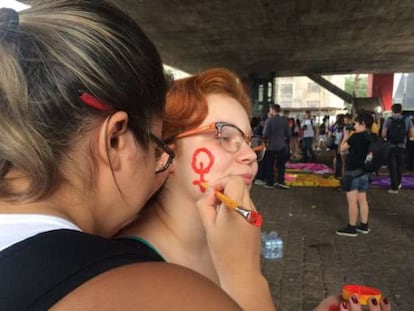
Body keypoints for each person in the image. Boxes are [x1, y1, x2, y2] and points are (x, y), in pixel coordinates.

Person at [0, 3, 272, 310]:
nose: (250, 155)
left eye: (249, 140)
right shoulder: (152, 288)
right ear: (115, 139)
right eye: (224, 136)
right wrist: (245, 276)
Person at [336, 113, 374, 237]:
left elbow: (342, 149)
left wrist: (346, 135)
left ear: (363, 124)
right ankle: (364, 225)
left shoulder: (356, 137)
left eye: (356, 124)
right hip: (365, 171)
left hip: (352, 171)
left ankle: (351, 227)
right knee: (362, 198)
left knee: (352, 200)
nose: (354, 126)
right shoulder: (372, 136)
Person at [382, 103, 414, 194]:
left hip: (391, 146)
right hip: (402, 146)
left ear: (392, 110)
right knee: (399, 166)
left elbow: (383, 134)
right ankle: (399, 183)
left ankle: (394, 188)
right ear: (401, 110)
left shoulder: (389, 120)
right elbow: (412, 134)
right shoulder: (407, 120)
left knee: (392, 167)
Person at [262, 104, 291, 189]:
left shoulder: (269, 120)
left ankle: (270, 182)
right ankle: (280, 181)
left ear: (272, 110)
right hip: (282, 145)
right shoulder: (284, 121)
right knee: (281, 164)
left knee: (269, 164)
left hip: (271, 146)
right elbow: (289, 134)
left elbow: (265, 134)